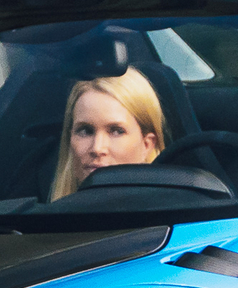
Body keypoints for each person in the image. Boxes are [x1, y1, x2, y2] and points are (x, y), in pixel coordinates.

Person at [51, 71, 166, 199]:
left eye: (116, 131)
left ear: (147, 145)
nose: (97, 148)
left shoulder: (174, 215)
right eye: (85, 131)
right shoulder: (47, 216)